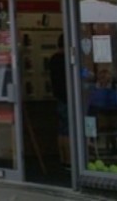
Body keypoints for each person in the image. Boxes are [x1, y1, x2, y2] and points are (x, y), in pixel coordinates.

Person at [49, 35, 69, 168]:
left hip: (59, 98)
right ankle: (70, 160)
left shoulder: (53, 59)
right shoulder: (64, 60)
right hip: (67, 98)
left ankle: (64, 159)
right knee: (68, 129)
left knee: (62, 129)